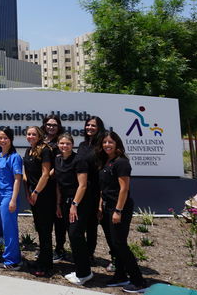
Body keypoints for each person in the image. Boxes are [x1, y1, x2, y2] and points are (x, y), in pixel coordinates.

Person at [97, 131, 148, 293]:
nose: (107, 145)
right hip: (107, 207)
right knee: (114, 244)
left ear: (117, 144)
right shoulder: (107, 161)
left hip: (119, 208)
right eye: (104, 142)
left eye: (110, 142)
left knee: (120, 244)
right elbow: (104, 188)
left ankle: (138, 281)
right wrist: (100, 206)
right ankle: (120, 276)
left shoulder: (122, 163)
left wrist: (118, 210)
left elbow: (124, 189)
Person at [54, 133, 92, 285]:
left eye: (67, 143)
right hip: (64, 203)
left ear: (72, 144)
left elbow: (82, 185)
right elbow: (57, 183)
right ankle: (82, 270)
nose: (65, 146)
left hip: (78, 204)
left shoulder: (79, 160)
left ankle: (84, 273)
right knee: (73, 237)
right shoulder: (57, 159)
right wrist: (58, 204)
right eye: (62, 143)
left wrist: (74, 206)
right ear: (58, 144)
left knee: (75, 235)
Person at [23, 126, 55, 277]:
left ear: (39, 135)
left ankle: (46, 266)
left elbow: (46, 174)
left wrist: (36, 192)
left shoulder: (45, 150)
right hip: (33, 195)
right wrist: (28, 192)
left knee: (45, 231)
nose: (30, 136)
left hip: (44, 196)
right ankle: (41, 260)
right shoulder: (29, 151)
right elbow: (26, 174)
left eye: (33, 134)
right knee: (40, 230)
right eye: (28, 134)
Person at [0, 127, 23, 270]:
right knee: (5, 228)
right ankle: (12, 256)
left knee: (9, 228)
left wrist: (13, 199)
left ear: (11, 139)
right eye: (0, 137)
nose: (2, 140)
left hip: (8, 195)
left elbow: (18, 179)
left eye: (5, 138)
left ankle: (12, 261)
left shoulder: (14, 157)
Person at [78, 116, 106, 264]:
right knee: (80, 224)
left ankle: (90, 254)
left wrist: (101, 200)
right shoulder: (82, 145)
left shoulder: (101, 146)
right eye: (88, 125)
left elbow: (102, 172)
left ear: (99, 128)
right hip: (81, 190)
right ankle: (81, 252)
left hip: (95, 191)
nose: (89, 128)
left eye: (93, 126)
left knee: (91, 225)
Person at [44, 113, 67, 263]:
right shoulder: (41, 140)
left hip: (56, 185)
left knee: (59, 220)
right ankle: (46, 248)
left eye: (54, 125)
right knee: (45, 220)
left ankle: (60, 249)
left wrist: (45, 177)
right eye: (49, 124)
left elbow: (58, 165)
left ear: (58, 127)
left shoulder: (61, 142)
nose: (51, 127)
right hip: (43, 186)